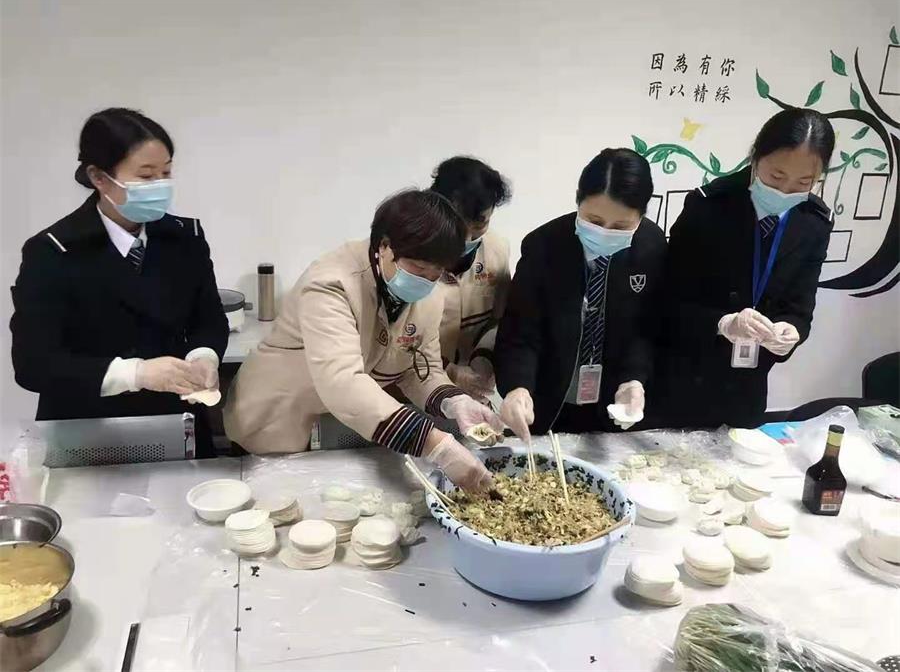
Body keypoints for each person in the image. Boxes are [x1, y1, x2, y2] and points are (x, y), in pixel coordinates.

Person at [223, 189, 503, 492]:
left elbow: (420, 369)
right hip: (276, 414)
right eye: (420, 268)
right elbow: (343, 382)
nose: (427, 280)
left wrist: (454, 402)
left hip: (335, 417)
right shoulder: (331, 284)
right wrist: (436, 445)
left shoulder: (429, 295)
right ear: (385, 246)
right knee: (272, 501)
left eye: (437, 272)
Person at [10, 108, 228, 456]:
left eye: (166, 173)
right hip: (89, 430)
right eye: (146, 176)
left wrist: (204, 357)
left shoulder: (184, 238)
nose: (160, 185)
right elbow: (33, 364)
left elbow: (209, 320)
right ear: (99, 177)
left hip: (175, 422)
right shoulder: (54, 251)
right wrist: (135, 374)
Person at [654, 108, 835, 428]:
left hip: (747, 391)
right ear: (756, 156)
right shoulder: (708, 207)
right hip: (683, 381)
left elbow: (800, 308)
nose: (785, 190)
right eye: (776, 176)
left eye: (803, 182)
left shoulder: (814, 223)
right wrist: (723, 323)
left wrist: (791, 332)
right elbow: (665, 304)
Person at [495, 148, 666, 441]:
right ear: (578, 199)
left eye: (621, 226)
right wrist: (517, 387)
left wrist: (634, 379)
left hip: (612, 403)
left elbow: (647, 326)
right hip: (549, 400)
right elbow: (521, 331)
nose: (605, 232)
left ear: (642, 215)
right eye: (594, 221)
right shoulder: (544, 246)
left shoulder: (652, 246)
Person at [430, 156, 512, 401]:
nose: (467, 237)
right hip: (414, 386)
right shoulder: (412, 255)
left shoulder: (496, 251)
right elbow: (397, 337)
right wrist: (449, 371)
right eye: (458, 223)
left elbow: (499, 319)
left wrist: (483, 358)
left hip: (471, 389)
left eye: (479, 224)